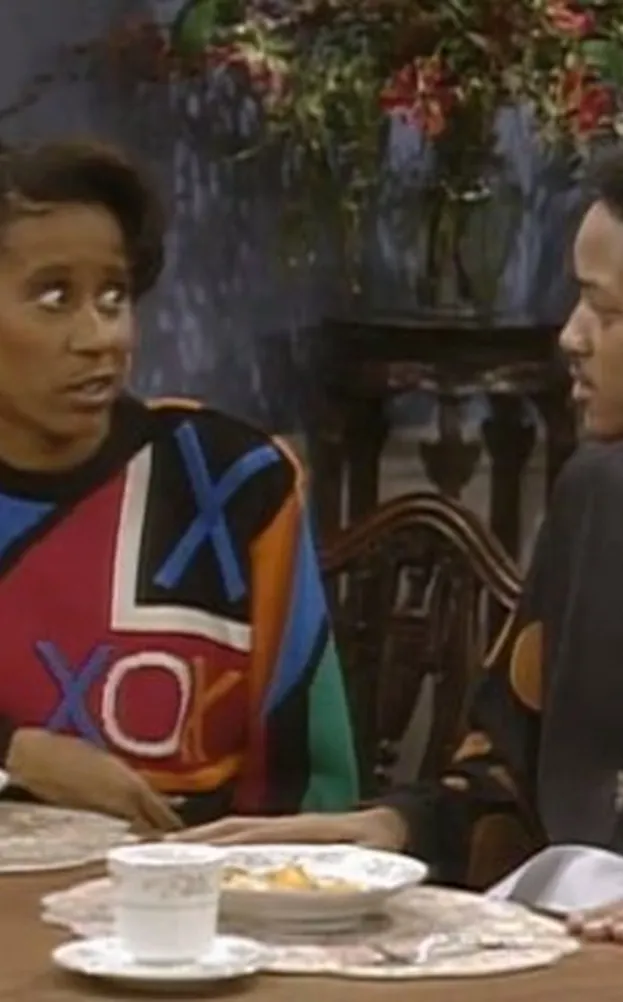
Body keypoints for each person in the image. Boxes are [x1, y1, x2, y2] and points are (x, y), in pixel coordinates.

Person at [177, 131, 623, 904]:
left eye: (604, 309)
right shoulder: (607, 497)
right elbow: (505, 782)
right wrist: (393, 831)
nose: (570, 336)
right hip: (575, 943)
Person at [0, 138, 358, 831]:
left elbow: (310, 791)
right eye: (54, 297)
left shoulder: (235, 483)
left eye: (113, 296)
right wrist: (15, 756)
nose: (101, 337)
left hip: (197, 889)